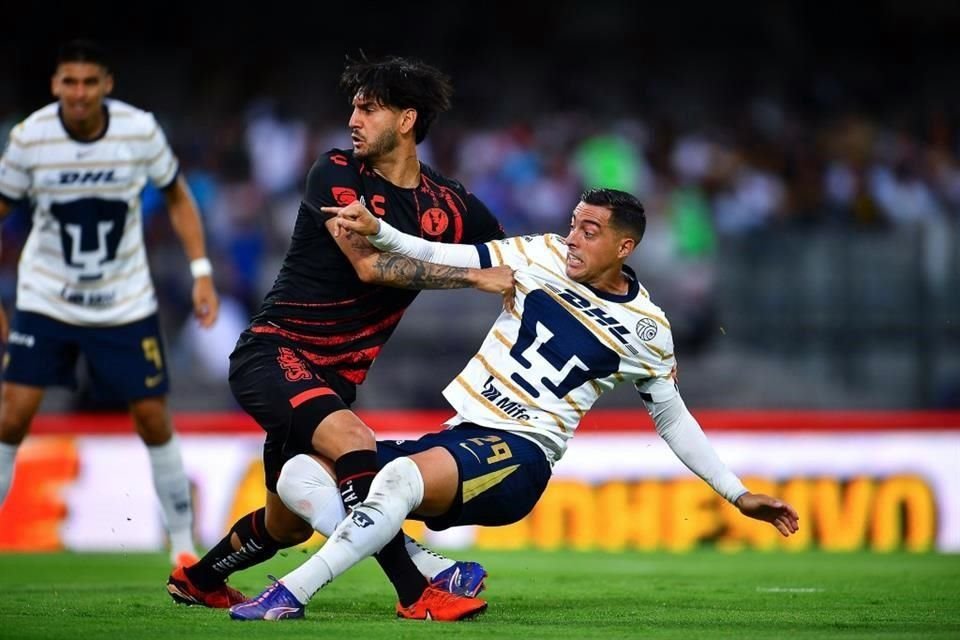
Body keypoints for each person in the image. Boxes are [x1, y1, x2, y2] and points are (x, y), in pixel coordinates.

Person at [228, 187, 801, 621]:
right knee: (302, 473)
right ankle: (433, 569)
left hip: (521, 456)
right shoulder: (540, 253)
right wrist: (381, 230)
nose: (573, 237)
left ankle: (291, 594)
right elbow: (439, 251)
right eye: (574, 224)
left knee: (397, 477)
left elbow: (671, 416)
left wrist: (737, 491)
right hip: (458, 436)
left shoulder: (647, 330)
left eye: (591, 230)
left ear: (624, 246)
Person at [167, 55, 511, 620]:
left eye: (368, 108)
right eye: (352, 106)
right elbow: (371, 267)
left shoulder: (450, 205)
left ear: (406, 120)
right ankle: (418, 588)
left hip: (334, 379)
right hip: (274, 354)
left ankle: (199, 579)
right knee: (356, 443)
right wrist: (474, 275)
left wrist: (610, 295)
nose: (353, 118)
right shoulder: (335, 172)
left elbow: (518, 256)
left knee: (286, 523)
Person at [0, 40, 219, 566]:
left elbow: (176, 194)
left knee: (151, 416)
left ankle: (184, 546)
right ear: (55, 85)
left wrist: (201, 271)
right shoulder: (30, 138)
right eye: (69, 82)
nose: (79, 93)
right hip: (47, 297)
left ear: (107, 84)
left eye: (89, 82)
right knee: (12, 416)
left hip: (123, 300)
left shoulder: (138, 130)